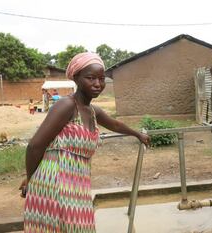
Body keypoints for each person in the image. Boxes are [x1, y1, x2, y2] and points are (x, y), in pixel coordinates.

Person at [19, 52, 150, 233]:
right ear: (76, 78)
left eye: (101, 78)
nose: (98, 84)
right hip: (53, 184)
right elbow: (35, 146)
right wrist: (31, 180)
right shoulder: (66, 106)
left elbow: (114, 124)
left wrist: (137, 134)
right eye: (90, 78)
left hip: (77, 185)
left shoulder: (91, 110)